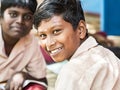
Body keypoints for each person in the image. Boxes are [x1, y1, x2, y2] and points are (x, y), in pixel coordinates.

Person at [34, 0, 120, 90]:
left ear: (80, 29)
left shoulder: (73, 72)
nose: (49, 43)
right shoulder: (107, 54)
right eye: (43, 35)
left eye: (56, 31)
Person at [0, 0, 47, 90]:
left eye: (28, 17)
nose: (20, 21)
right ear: (1, 17)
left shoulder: (31, 41)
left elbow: (41, 80)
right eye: (13, 14)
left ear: (32, 23)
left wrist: (22, 75)